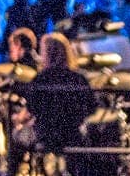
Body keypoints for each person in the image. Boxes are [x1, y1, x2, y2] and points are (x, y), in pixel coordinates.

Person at [17, 33, 96, 170]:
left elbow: (32, 109)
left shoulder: (41, 79)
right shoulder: (78, 79)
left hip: (46, 136)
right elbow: (91, 108)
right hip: (73, 134)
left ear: (46, 54)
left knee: (17, 140)